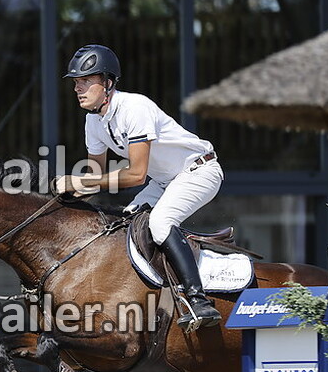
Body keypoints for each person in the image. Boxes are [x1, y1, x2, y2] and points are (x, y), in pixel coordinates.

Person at [53, 44, 224, 331]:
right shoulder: (93, 122)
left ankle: (199, 301)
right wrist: (61, 193)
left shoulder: (135, 107)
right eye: (76, 83)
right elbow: (95, 178)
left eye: (85, 81)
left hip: (199, 171)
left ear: (107, 83)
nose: (78, 88)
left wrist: (81, 182)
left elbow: (135, 175)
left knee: (159, 222)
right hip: (164, 181)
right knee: (123, 227)